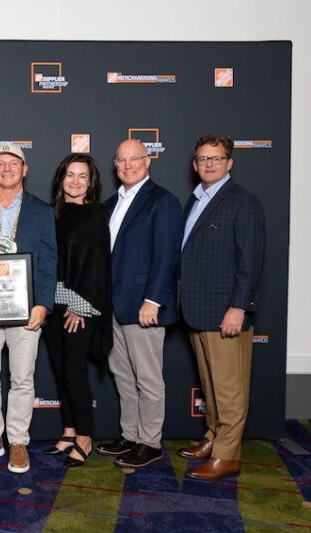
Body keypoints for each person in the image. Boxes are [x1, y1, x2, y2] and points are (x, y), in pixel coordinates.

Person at [0, 144, 57, 474]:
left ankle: (18, 440)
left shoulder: (42, 211)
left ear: (25, 169)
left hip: (25, 310)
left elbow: (48, 263)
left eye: (13, 163)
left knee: (22, 378)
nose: (6, 168)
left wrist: (44, 303)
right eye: (0, 163)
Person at [178, 134, 266, 481]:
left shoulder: (243, 201)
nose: (209, 164)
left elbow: (252, 259)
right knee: (211, 383)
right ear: (195, 164)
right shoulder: (196, 200)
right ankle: (214, 437)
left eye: (216, 158)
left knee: (230, 387)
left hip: (225, 312)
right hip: (198, 308)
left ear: (229, 162)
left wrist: (238, 306)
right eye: (203, 158)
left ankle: (228, 455)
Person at [96, 139, 182, 469]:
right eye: (121, 161)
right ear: (115, 165)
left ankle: (150, 442)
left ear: (148, 161)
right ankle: (130, 435)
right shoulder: (110, 203)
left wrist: (154, 299)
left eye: (135, 159)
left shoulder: (162, 201)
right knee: (123, 375)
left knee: (148, 378)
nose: (128, 166)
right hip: (114, 305)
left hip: (143, 305)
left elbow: (166, 254)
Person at [43, 153, 112, 468]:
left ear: (91, 181)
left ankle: (85, 436)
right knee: (59, 369)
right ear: (61, 178)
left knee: (74, 372)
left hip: (80, 308)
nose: (75, 181)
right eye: (69, 174)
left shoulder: (97, 213)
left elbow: (97, 265)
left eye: (82, 175)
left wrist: (80, 308)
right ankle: (69, 430)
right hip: (53, 304)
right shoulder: (52, 213)